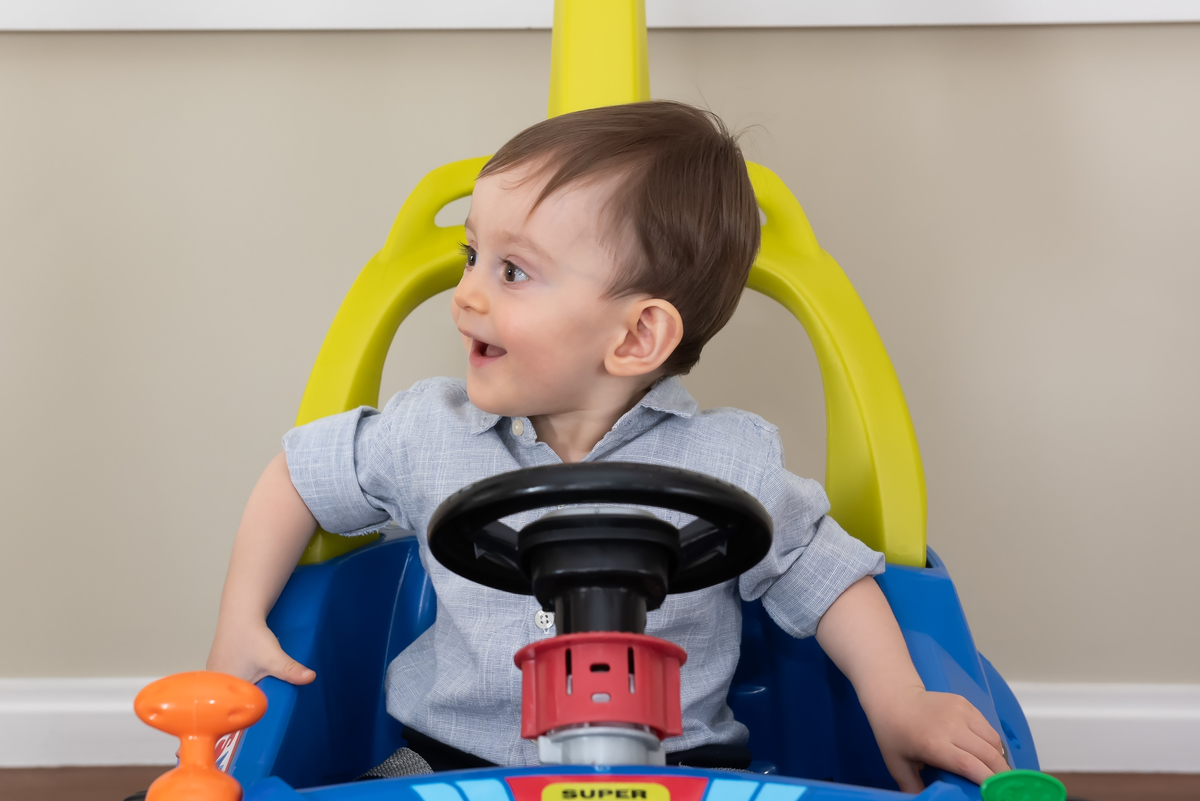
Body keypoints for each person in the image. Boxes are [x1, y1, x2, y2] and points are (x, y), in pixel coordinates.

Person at [206, 101, 1008, 792]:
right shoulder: (431, 431)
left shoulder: (730, 460)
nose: (466, 294)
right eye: (471, 256)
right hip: (448, 763)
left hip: (680, 771)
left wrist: (898, 698)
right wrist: (240, 617)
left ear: (637, 336)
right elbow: (299, 475)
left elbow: (825, 575)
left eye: (513, 271)